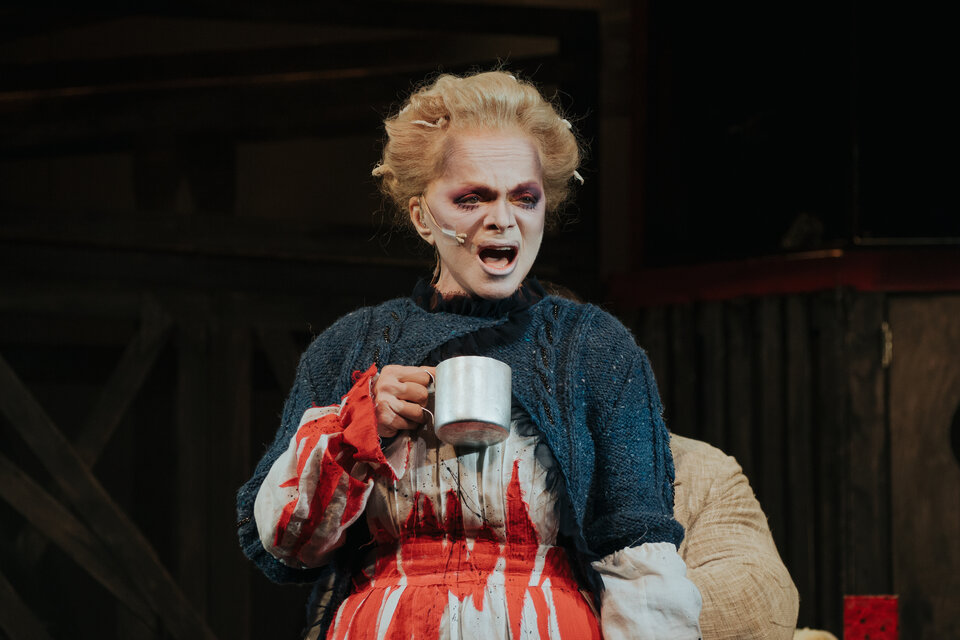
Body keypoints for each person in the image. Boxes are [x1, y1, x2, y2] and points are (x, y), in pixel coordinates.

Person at [236, 70, 702, 640]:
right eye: (471, 198)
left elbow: (638, 550)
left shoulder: (595, 350)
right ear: (421, 216)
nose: (502, 219)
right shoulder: (350, 348)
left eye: (524, 198)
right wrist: (356, 428)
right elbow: (286, 547)